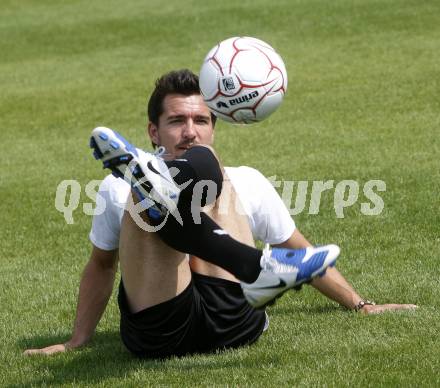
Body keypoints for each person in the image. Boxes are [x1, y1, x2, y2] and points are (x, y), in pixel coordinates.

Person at [24, 69, 416, 358]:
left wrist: (360, 304)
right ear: (153, 132)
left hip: (230, 317)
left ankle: (171, 189)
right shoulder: (119, 189)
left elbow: (299, 249)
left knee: (187, 180)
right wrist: (76, 339)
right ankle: (253, 267)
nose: (190, 132)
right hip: (161, 324)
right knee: (142, 201)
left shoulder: (248, 181)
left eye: (201, 120)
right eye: (176, 121)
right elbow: (101, 265)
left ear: (215, 126)